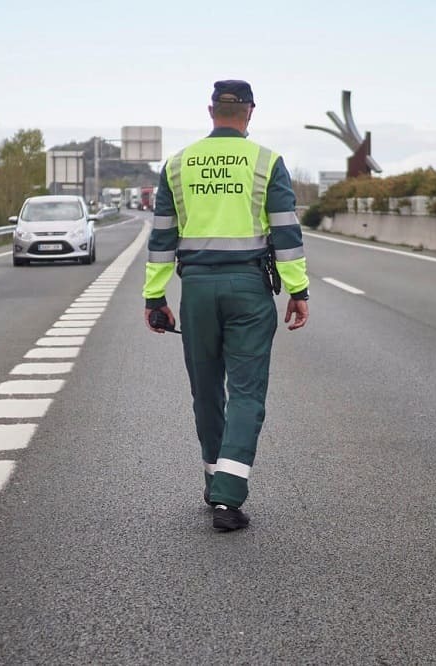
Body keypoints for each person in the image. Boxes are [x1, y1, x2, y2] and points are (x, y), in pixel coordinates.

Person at [143, 80, 310, 532]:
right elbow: (286, 233)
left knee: (206, 390)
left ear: (210, 110)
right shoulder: (267, 162)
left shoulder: (178, 164)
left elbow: (162, 237)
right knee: (247, 392)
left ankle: (214, 479)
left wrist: (155, 296)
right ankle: (227, 497)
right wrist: (298, 291)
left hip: (197, 289)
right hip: (249, 289)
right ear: (250, 112)